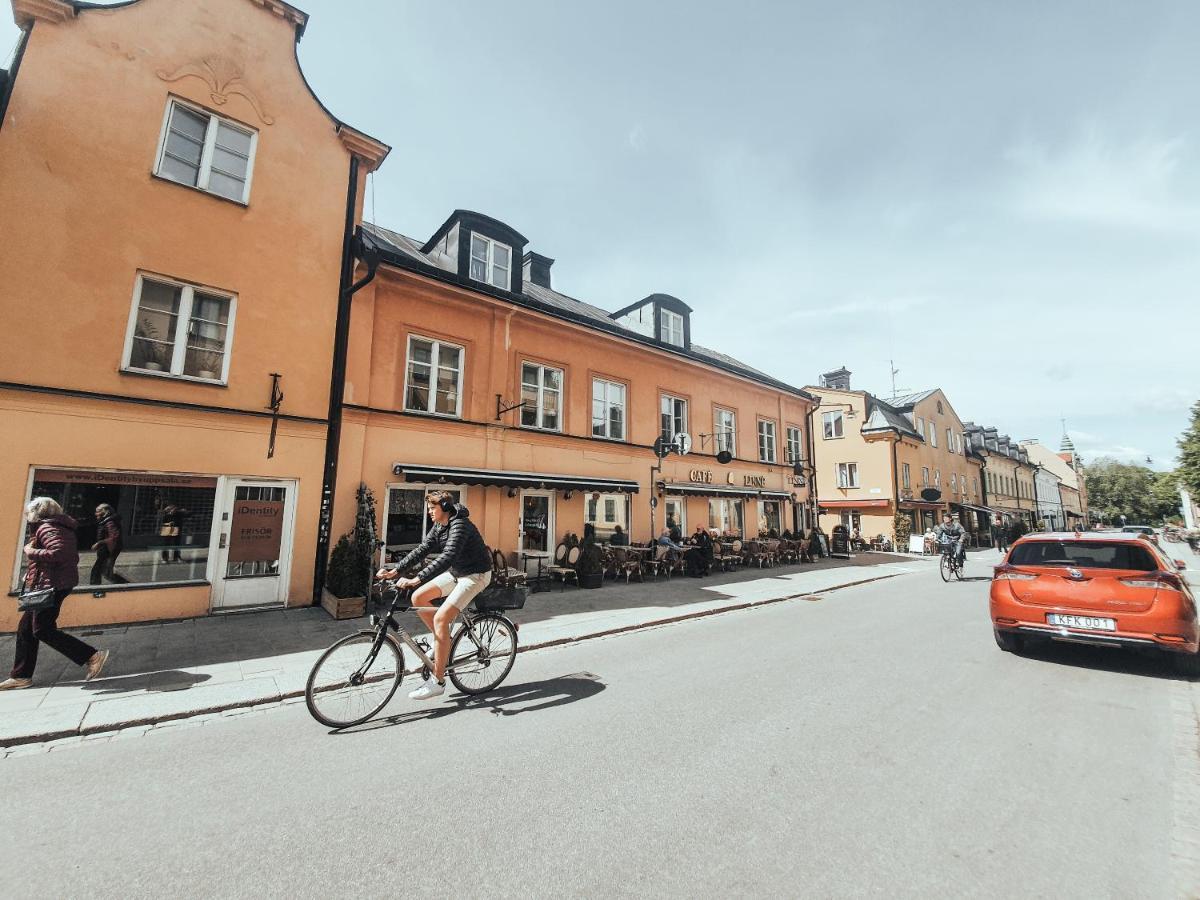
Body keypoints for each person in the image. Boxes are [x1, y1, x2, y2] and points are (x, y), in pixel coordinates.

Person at [376, 492, 492, 701]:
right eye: (429, 508)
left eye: (432, 508)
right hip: (457, 572)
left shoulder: (460, 526)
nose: (429, 512)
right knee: (418, 598)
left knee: (440, 618)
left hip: (476, 574)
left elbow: (448, 557)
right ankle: (442, 643)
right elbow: (423, 549)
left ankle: (437, 682)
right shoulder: (439, 526)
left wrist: (416, 578)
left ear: (445, 507)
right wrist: (396, 570)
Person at [1, 498, 109, 690]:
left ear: (38, 512)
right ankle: (21, 675)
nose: (27, 517)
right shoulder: (56, 526)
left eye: (29, 513)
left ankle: (91, 656)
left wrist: (31, 551)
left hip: (52, 585)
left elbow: (59, 553)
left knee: (42, 629)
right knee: (26, 629)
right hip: (50, 582)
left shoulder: (48, 528)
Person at [90, 503, 129, 585]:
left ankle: (95, 590)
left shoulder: (109, 522)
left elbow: (113, 537)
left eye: (98, 511)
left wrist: (99, 543)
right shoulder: (107, 521)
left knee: (97, 570)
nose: (95, 514)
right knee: (105, 572)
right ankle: (126, 585)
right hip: (108, 549)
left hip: (108, 549)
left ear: (105, 511)